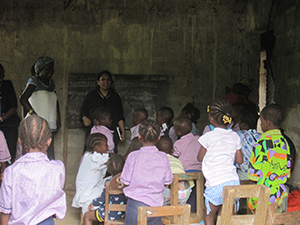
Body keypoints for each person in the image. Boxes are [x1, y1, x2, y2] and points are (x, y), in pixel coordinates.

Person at [0, 115, 66, 225]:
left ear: (20, 141)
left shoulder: (10, 172)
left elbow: (5, 210)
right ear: (49, 141)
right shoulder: (57, 168)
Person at [197, 99, 243, 225]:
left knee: (210, 216)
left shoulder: (208, 136)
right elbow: (240, 160)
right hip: (233, 182)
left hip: (215, 184)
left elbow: (199, 158)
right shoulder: (235, 136)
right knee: (226, 217)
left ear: (211, 119)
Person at [120, 120, 173, 225]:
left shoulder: (133, 156)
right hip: (156, 203)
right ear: (159, 137)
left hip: (135, 203)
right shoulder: (163, 157)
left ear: (139, 136)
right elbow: (168, 181)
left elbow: (125, 180)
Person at [248, 103, 291, 213]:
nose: (261, 125)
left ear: (267, 122)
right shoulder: (284, 143)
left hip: (263, 196)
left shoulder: (261, 144)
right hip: (280, 196)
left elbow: (254, 175)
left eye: (261, 121)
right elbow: (287, 170)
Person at [20, 57, 61, 160]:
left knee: (49, 154)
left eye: (52, 69)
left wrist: (58, 119)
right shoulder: (34, 81)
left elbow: (55, 102)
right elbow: (23, 99)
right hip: (35, 124)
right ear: (39, 69)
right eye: (47, 69)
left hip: (49, 123)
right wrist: (33, 114)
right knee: (33, 153)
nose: (50, 72)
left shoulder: (52, 84)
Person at [81, 70, 125, 153]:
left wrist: (122, 131)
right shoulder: (91, 95)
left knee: (110, 152)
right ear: (98, 82)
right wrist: (85, 118)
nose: (105, 82)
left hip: (111, 130)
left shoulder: (115, 97)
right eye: (103, 79)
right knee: (92, 152)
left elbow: (120, 115)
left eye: (108, 80)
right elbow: (84, 111)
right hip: (94, 130)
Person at [72, 133, 110, 215]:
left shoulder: (89, 156)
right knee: (111, 184)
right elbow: (111, 162)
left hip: (90, 188)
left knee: (110, 181)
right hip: (87, 192)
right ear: (97, 148)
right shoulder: (93, 158)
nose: (108, 147)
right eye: (106, 145)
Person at [84, 154, 126, 224]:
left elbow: (102, 199)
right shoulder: (127, 182)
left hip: (108, 213)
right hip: (123, 214)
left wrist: (93, 203)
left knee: (87, 216)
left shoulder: (109, 182)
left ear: (108, 170)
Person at [156, 136, 193, 206]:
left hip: (167, 193)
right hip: (183, 192)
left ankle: (164, 212)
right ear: (172, 150)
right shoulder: (178, 161)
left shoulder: (157, 161)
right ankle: (178, 210)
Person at [0, 63, 21, 161]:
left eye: (2, 75)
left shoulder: (7, 85)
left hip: (9, 125)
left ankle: (8, 174)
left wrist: (1, 118)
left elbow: (13, 107)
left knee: (10, 155)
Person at [235, 111, 261, 180]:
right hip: (258, 173)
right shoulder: (260, 136)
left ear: (243, 125)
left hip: (243, 174)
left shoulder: (238, 135)